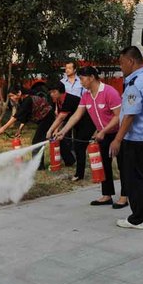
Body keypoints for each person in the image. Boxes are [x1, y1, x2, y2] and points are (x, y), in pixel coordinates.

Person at [56, 66, 128, 208]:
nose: (80, 82)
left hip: (118, 134)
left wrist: (103, 131)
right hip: (103, 135)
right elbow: (77, 115)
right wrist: (63, 131)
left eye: (82, 79)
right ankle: (107, 195)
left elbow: (118, 116)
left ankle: (124, 197)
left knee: (122, 166)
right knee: (104, 164)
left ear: (91, 77)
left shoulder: (109, 92)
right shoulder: (86, 95)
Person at [109, 46, 143, 230]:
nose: (121, 67)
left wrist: (117, 139)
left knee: (133, 178)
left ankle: (137, 218)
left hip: (137, 138)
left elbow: (130, 114)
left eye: (122, 63)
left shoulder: (135, 83)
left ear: (130, 61)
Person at [0, 84, 55, 170]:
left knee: (37, 141)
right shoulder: (23, 100)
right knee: (57, 139)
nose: (11, 98)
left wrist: (3, 128)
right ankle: (69, 160)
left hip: (47, 118)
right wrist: (20, 129)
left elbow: (16, 116)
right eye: (10, 97)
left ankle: (39, 166)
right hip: (43, 119)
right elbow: (25, 116)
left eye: (12, 96)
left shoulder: (27, 100)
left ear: (19, 93)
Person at [46, 82, 79, 173]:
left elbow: (61, 117)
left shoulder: (68, 99)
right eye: (50, 92)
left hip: (83, 122)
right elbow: (61, 118)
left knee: (79, 145)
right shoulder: (59, 102)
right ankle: (71, 162)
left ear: (59, 91)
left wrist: (50, 130)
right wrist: (56, 130)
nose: (51, 95)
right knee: (65, 140)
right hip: (73, 122)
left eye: (53, 92)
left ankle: (79, 172)